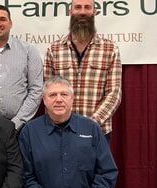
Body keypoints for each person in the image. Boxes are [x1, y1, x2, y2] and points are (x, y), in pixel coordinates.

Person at [19, 76, 130, 188]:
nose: (59, 99)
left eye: (64, 94)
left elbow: (106, 173)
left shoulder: (91, 128)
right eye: (52, 95)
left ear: (72, 98)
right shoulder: (29, 132)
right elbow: (26, 178)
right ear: (44, 100)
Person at [44, 0, 122, 141]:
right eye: (78, 7)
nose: (82, 12)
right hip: (60, 130)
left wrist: (91, 124)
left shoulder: (110, 49)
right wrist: (62, 120)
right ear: (70, 12)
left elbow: (114, 93)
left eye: (87, 8)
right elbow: (48, 91)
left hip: (98, 132)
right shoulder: (54, 49)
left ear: (94, 12)